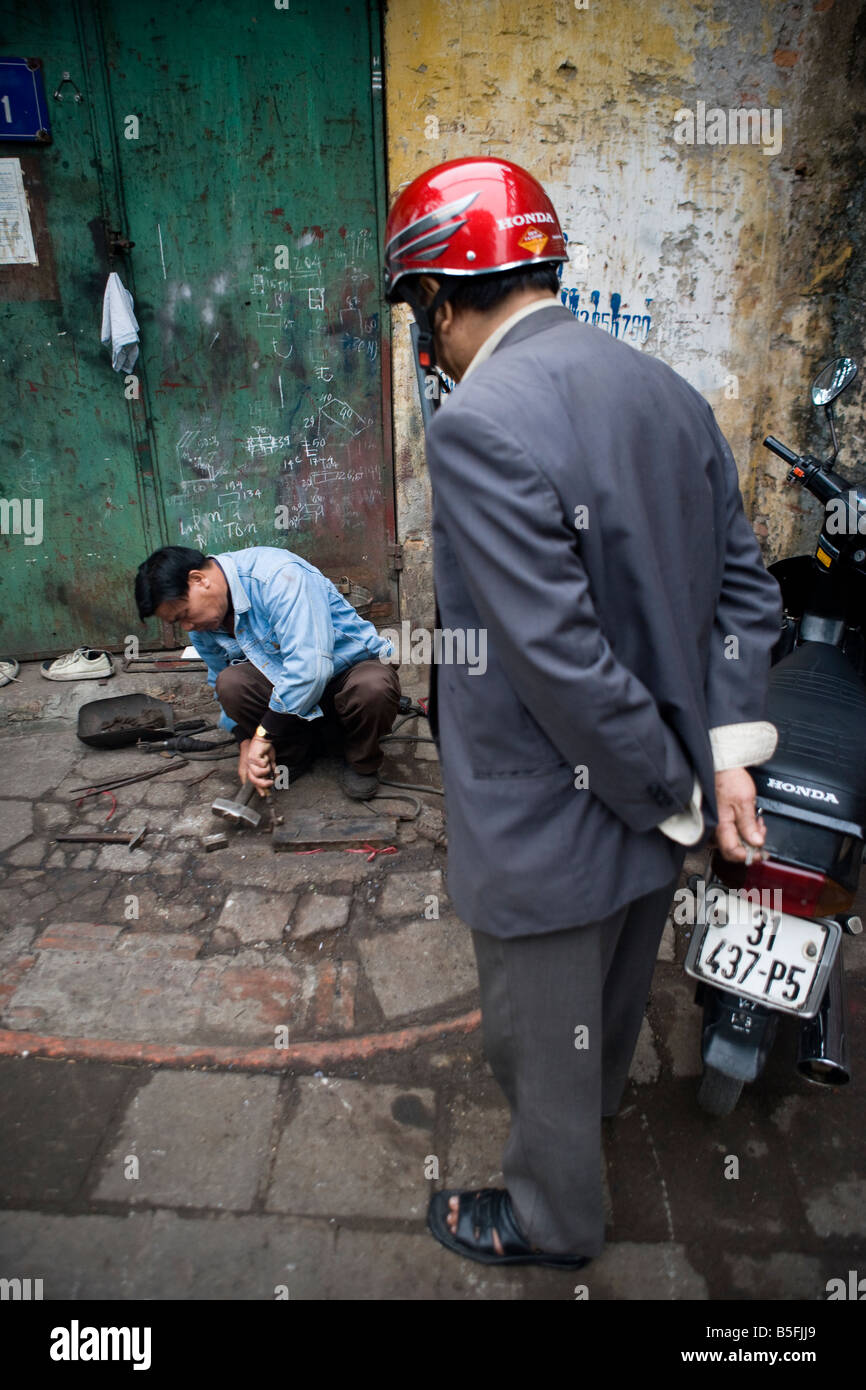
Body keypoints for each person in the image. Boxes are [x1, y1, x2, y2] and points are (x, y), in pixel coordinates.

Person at [383, 157, 783, 1268]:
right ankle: (594, 1108)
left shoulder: (480, 421)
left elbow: (554, 657)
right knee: (603, 1001)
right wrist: (719, 759)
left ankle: (550, 1219)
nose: (429, 339)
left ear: (446, 300)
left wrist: (669, 788)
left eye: (422, 311)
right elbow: (745, 592)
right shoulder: (667, 390)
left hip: (563, 803)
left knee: (538, 1034)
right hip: (652, 792)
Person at [134, 545, 400, 798]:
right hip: (291, 693)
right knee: (230, 683)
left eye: (184, 614)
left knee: (374, 687)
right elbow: (218, 678)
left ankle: (361, 760)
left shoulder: (278, 575)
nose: (188, 626)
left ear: (199, 579)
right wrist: (244, 741)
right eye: (178, 622)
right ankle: (293, 753)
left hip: (346, 672)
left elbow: (311, 668)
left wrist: (263, 734)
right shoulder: (203, 627)